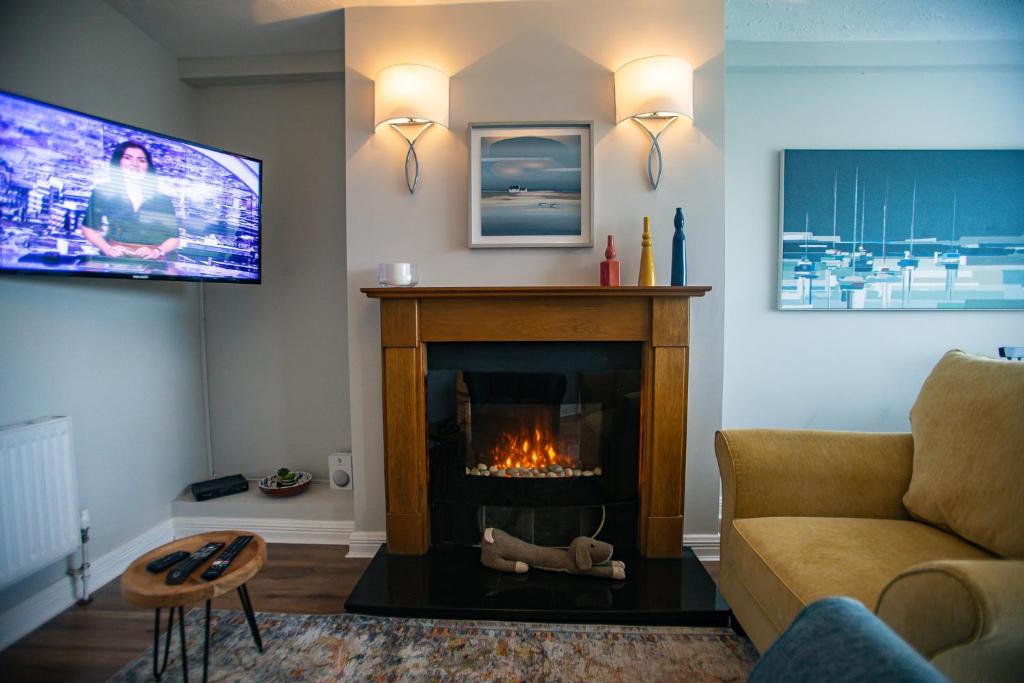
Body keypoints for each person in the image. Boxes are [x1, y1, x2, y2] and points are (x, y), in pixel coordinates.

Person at [81, 141, 179, 260]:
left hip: (152, 263)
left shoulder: (162, 200)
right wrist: (108, 249)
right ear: (118, 162)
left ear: (148, 167)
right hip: (115, 259)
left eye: (141, 160)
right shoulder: (102, 192)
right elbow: (88, 228)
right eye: (128, 158)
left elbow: (174, 238)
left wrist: (157, 252)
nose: (135, 164)